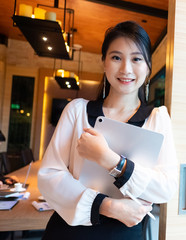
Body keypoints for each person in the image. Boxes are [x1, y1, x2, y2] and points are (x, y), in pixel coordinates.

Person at [38, 21, 178, 240]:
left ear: (148, 66)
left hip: (124, 233)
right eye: (116, 57)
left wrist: (111, 160)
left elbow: (166, 188)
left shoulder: (157, 119)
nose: (126, 69)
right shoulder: (77, 111)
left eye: (136, 59)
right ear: (104, 62)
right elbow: (49, 177)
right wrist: (109, 206)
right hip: (69, 231)